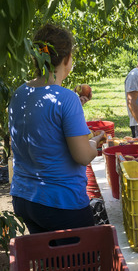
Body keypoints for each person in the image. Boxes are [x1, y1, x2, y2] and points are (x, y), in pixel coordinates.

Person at [8, 23, 105, 234]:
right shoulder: (65, 99)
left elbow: (43, 127)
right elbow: (82, 156)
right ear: (67, 58)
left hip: (25, 198)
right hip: (60, 203)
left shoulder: (19, 93)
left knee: (49, 259)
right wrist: (95, 141)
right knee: (81, 263)